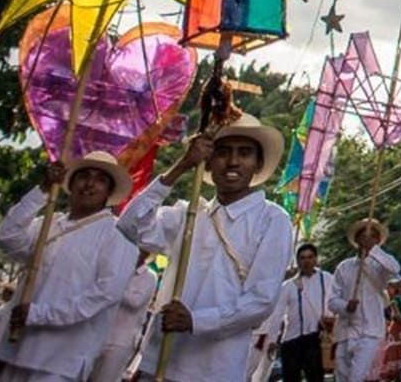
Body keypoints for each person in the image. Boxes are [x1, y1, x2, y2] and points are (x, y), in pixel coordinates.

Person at [117, 114, 295, 382]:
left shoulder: (273, 219)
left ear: (258, 163)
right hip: (161, 359)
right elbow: (129, 225)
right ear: (209, 162)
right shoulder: (188, 214)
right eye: (223, 153)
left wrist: (196, 321)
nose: (233, 161)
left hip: (216, 369)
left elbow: (260, 300)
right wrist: (181, 166)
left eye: (244, 153)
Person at [0, 151, 140, 382]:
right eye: (83, 176)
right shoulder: (49, 223)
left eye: (100, 179)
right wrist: (42, 191)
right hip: (14, 351)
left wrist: (41, 314)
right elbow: (6, 237)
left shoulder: (117, 235)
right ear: (70, 183)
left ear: (109, 192)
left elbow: (104, 295)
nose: (89, 184)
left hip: (61, 361)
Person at [329, 218, 399, 382]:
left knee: (357, 377)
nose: (367, 239)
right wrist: (346, 306)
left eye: (372, 236)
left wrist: (373, 250)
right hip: (346, 331)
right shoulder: (344, 267)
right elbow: (332, 301)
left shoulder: (380, 267)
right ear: (357, 239)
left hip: (370, 332)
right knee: (342, 377)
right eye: (364, 236)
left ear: (377, 241)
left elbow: (395, 268)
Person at [90, 251, 156, 382]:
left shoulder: (149, 277)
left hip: (121, 341)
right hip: (99, 334)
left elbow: (135, 301)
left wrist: (111, 288)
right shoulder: (118, 268)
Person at [273, 243, 332, 382]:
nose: (307, 261)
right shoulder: (289, 285)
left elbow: (333, 301)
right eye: (303, 258)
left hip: (315, 338)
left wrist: (329, 320)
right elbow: (277, 314)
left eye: (310, 257)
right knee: (291, 377)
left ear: (316, 259)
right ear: (298, 261)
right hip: (292, 339)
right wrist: (272, 339)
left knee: (315, 377)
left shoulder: (327, 279)